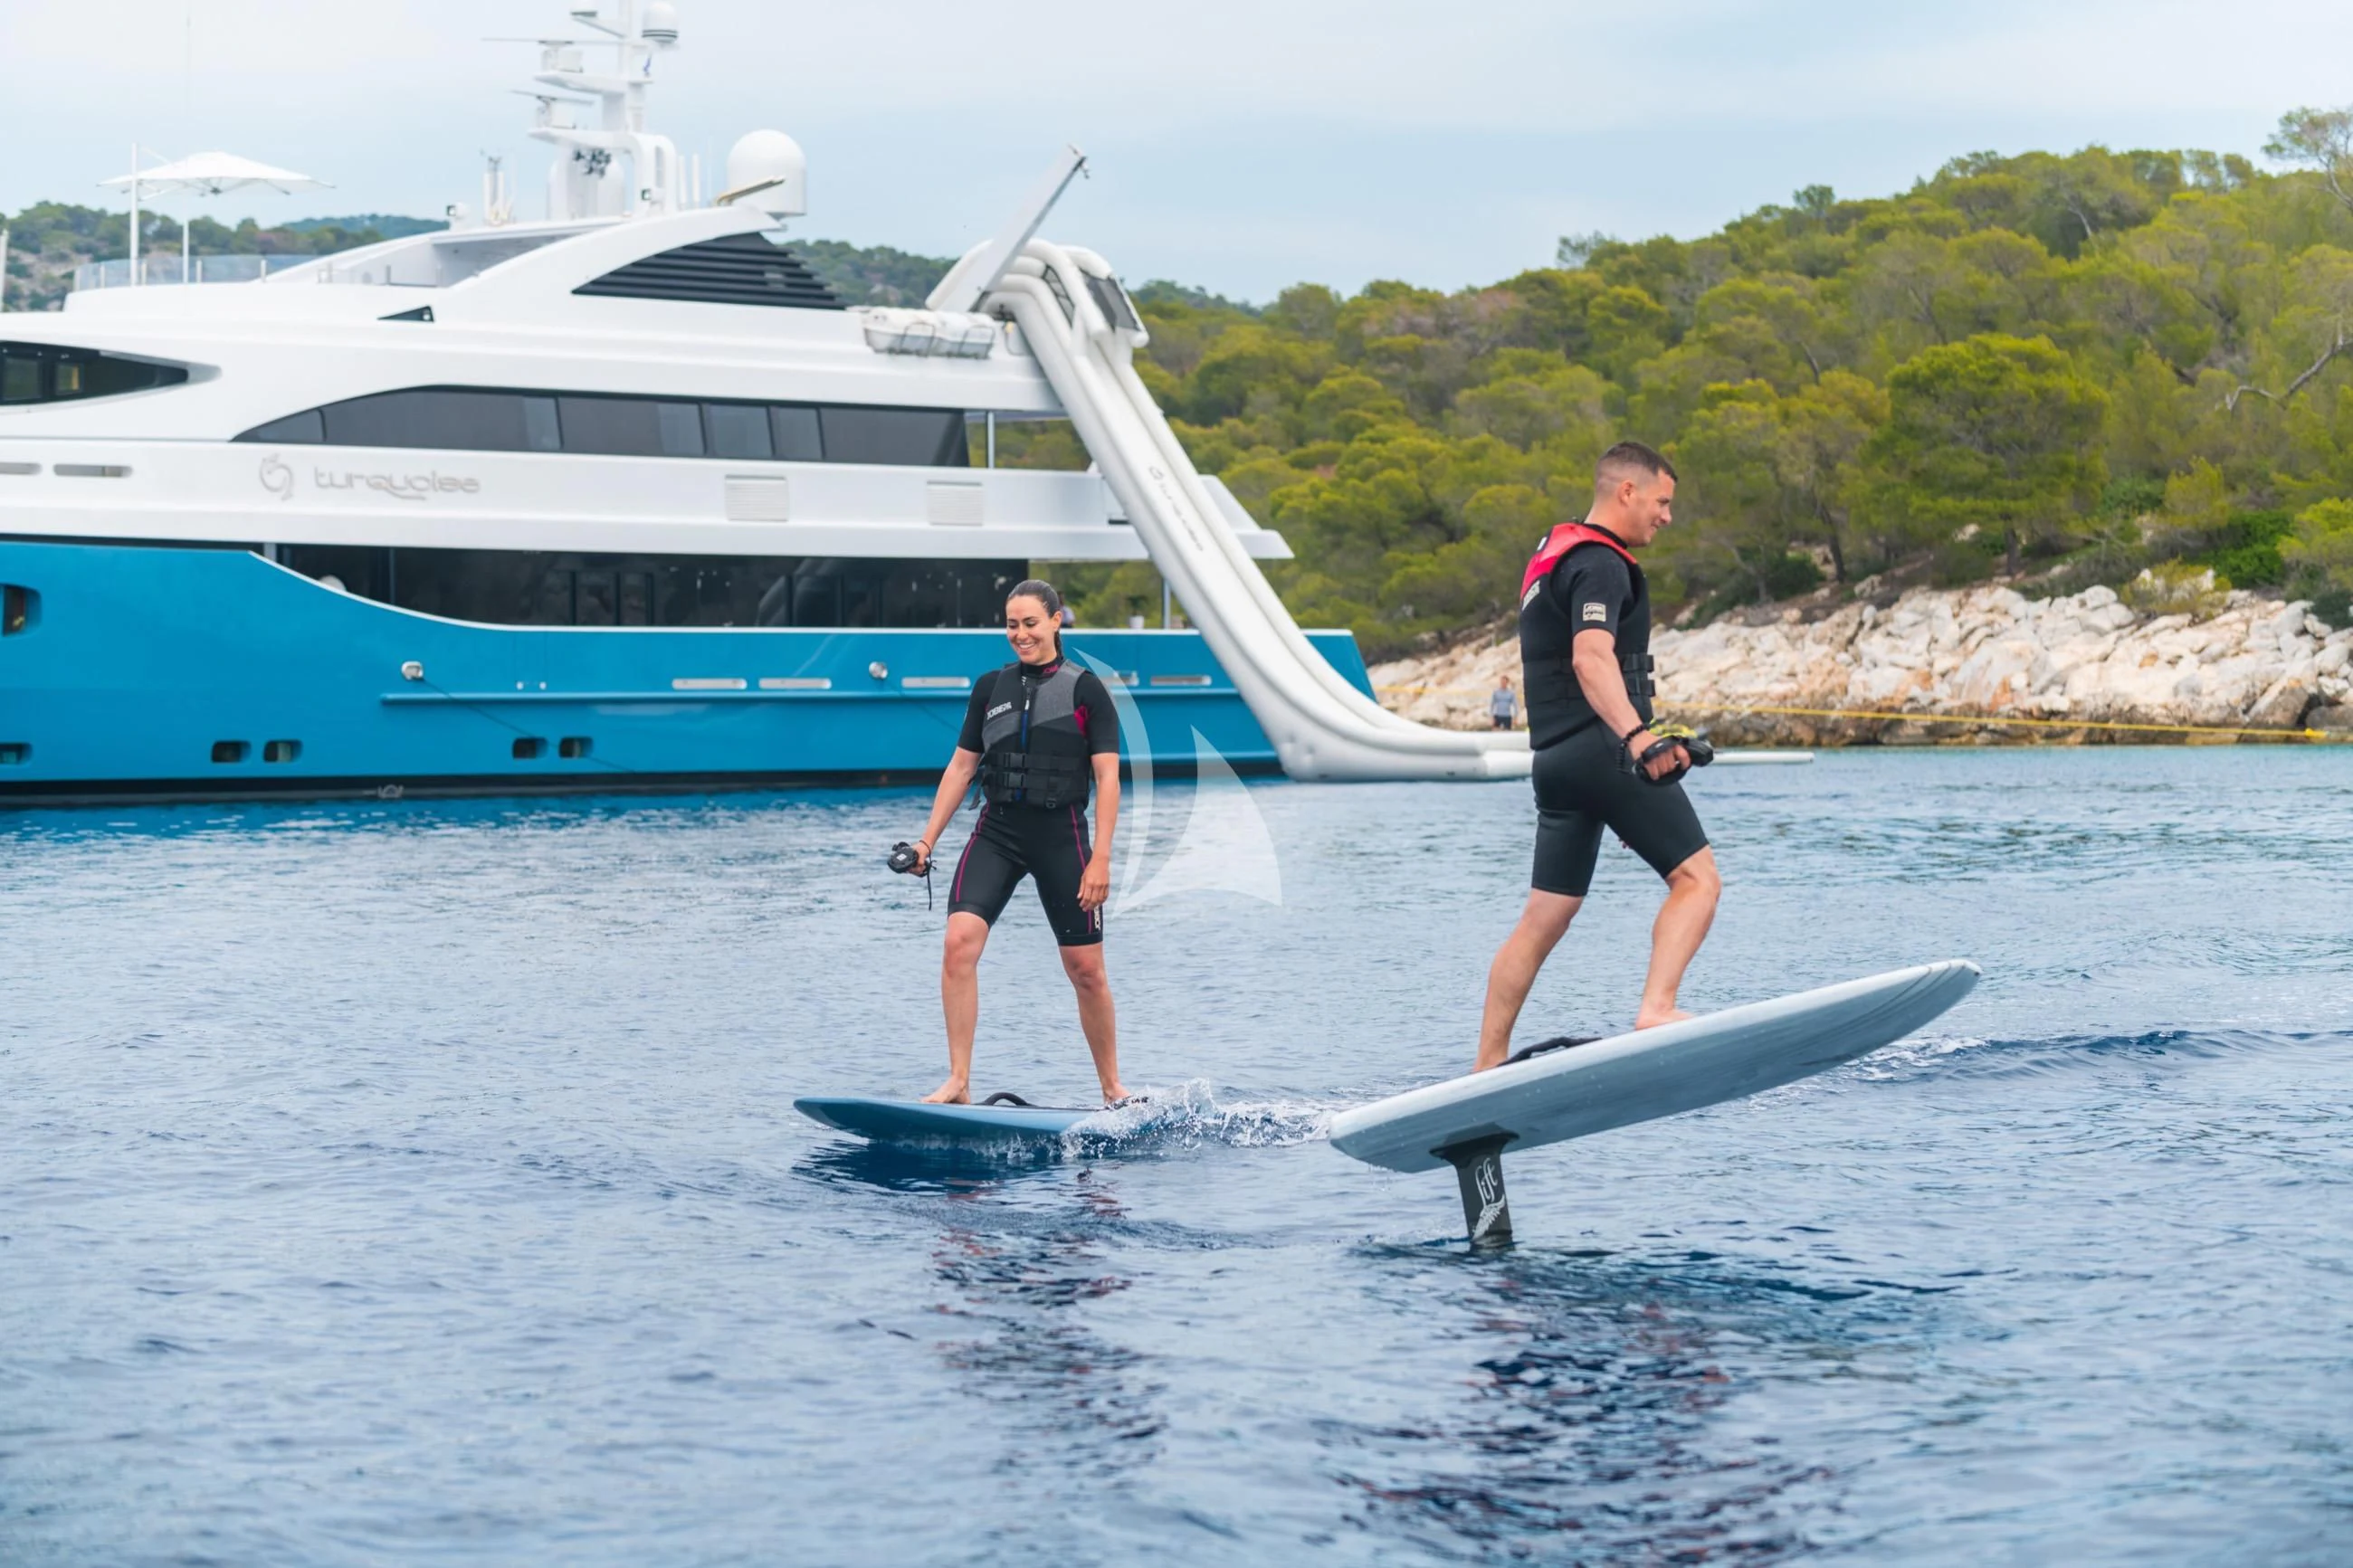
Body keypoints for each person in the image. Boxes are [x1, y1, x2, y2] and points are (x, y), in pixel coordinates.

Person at [1475, 441, 1721, 1070]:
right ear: (1627, 492)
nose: (1667, 516)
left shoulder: (1551, 555)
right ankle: (1658, 1007)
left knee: (1543, 919)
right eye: (1662, 502)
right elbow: (1590, 658)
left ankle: (1486, 1065)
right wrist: (1638, 742)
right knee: (1697, 881)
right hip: (1603, 750)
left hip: (1556, 763)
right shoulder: (1602, 564)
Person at [904, 580, 1130, 1105]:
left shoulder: (1086, 690)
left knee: (1087, 970)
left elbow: (1109, 780)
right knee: (958, 944)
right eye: (1012, 624)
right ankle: (959, 1081)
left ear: (1056, 621)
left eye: (1030, 623)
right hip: (999, 831)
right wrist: (925, 842)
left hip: (1063, 836)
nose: (1020, 634)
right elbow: (962, 768)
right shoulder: (990, 687)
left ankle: (1113, 1088)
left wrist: (1101, 859)